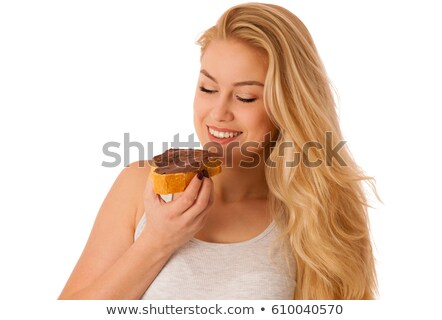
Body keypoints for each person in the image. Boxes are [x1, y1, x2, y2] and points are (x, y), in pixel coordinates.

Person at [59, 2, 377, 300]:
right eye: (208, 89)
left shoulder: (318, 211)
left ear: (288, 106)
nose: (218, 112)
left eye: (246, 97)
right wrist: (157, 241)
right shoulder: (140, 183)